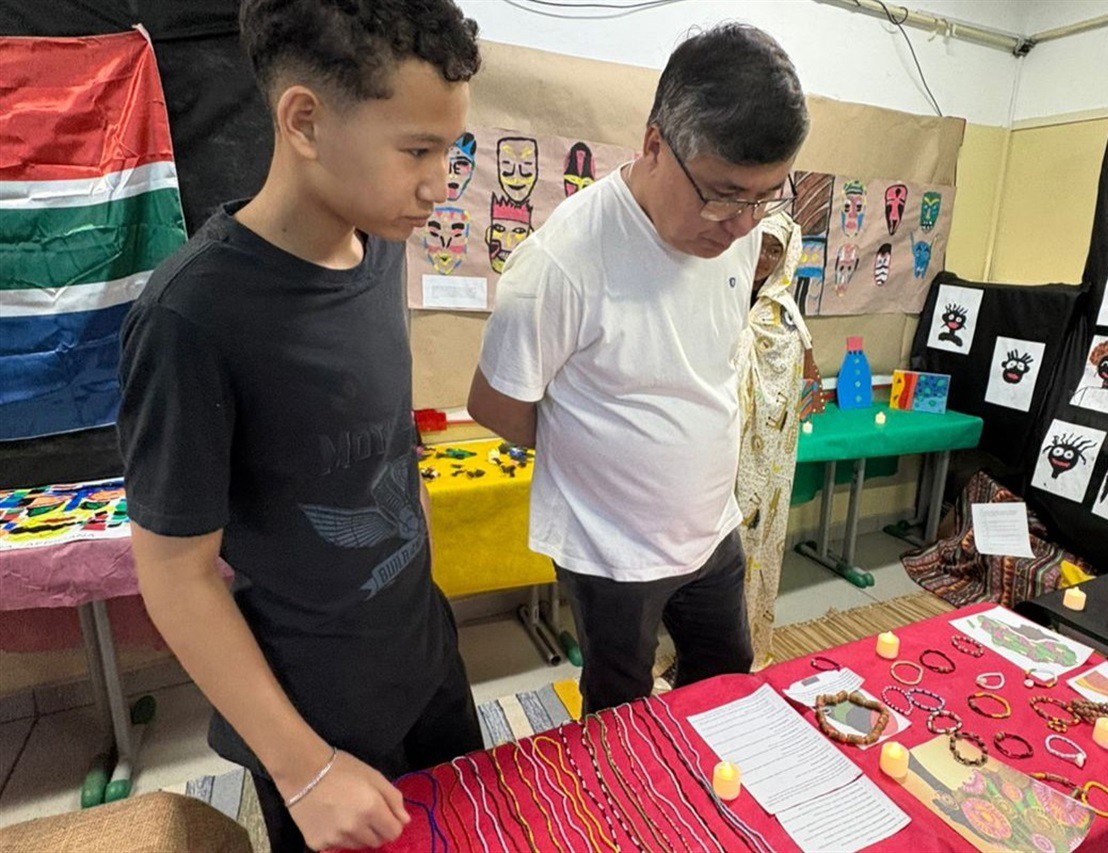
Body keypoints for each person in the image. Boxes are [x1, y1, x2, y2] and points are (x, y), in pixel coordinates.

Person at [116, 3, 483, 850]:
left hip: (424, 661)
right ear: (306, 121)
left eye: (451, 150)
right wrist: (304, 769)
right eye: (417, 152)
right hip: (314, 715)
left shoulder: (381, 243)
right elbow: (175, 573)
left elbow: (386, 442)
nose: (439, 184)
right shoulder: (189, 318)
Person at [468, 24, 809, 713]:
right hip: (610, 547)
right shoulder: (562, 261)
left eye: (767, 196)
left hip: (711, 525)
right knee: (622, 709)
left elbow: (707, 361)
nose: (743, 224)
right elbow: (495, 404)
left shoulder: (739, 235)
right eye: (723, 194)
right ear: (655, 143)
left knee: (726, 681)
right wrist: (600, 449)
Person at [735, 211, 823, 668]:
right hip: (713, 442)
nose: (765, 258)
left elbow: (799, 383)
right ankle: (695, 647)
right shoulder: (718, 293)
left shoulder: (784, 315)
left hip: (761, 455)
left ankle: (743, 643)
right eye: (761, 244)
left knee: (749, 543)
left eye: (776, 250)